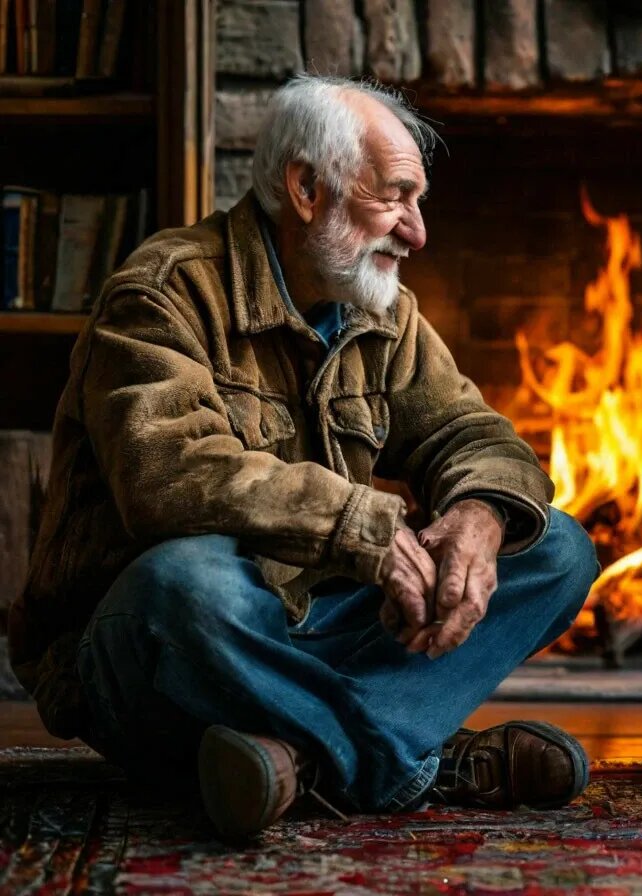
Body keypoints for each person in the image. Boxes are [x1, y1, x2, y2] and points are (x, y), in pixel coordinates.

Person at [8, 75, 599, 841]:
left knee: (557, 547)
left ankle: (301, 759)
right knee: (185, 578)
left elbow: (475, 435)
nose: (417, 233)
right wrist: (363, 529)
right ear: (307, 188)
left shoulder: (383, 310)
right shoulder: (161, 294)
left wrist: (480, 518)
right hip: (163, 647)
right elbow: (171, 477)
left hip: (307, 629)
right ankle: (419, 761)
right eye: (396, 197)